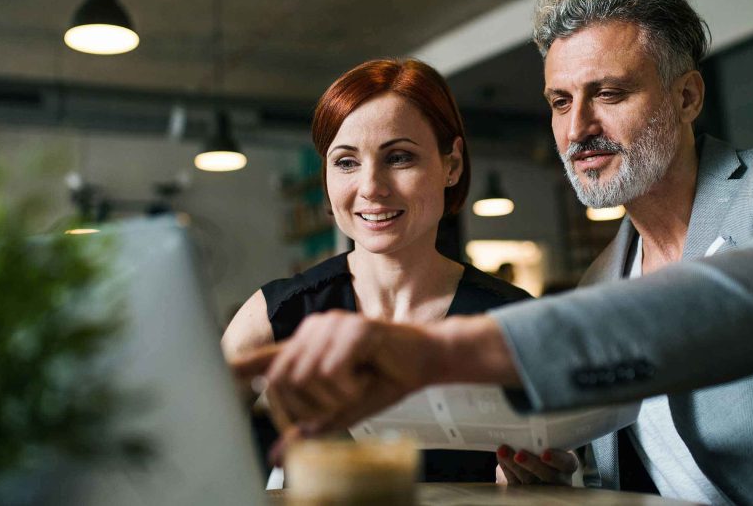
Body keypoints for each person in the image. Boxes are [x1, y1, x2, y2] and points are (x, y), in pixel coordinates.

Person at [231, 0, 753, 504]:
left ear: (687, 97)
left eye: (609, 93)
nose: (577, 130)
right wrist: (559, 470)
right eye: (561, 102)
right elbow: (631, 465)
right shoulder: (606, 275)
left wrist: (441, 349)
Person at [221, 58, 532, 483]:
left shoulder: (513, 319)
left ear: (452, 165)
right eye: (346, 162)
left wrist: (537, 484)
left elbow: (560, 464)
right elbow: (183, 460)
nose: (371, 187)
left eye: (399, 157)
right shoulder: (274, 314)